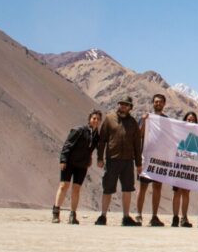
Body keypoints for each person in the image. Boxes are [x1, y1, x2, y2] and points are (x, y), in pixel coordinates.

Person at [94, 96, 142, 226]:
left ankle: (126, 217)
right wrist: (100, 158)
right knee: (108, 188)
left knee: (127, 189)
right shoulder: (109, 119)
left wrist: (138, 164)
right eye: (121, 104)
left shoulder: (133, 123)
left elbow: (137, 144)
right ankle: (103, 216)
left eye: (126, 105)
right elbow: (102, 140)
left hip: (128, 161)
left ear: (130, 108)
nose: (123, 107)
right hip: (112, 160)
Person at [53, 110, 102, 224]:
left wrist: (91, 159)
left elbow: (93, 149)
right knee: (64, 185)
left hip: (82, 165)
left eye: (98, 119)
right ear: (89, 119)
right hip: (69, 162)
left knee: (76, 188)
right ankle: (56, 212)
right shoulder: (79, 130)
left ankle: (72, 215)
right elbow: (67, 144)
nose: (95, 121)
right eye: (94, 118)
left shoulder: (96, 136)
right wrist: (63, 159)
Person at [136, 93, 168, 227]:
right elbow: (139, 134)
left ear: (164, 104)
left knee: (157, 187)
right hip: (147, 158)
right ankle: (138, 215)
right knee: (142, 187)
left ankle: (154, 216)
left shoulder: (167, 120)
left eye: (160, 102)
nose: (158, 104)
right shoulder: (147, 118)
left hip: (160, 159)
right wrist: (143, 121)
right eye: (156, 102)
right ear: (153, 103)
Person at [171, 111, 198, 228]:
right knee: (177, 192)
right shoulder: (179, 132)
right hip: (178, 165)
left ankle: (184, 217)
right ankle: (175, 217)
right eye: (188, 119)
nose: (190, 121)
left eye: (192, 120)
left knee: (186, 192)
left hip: (190, 167)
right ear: (185, 120)